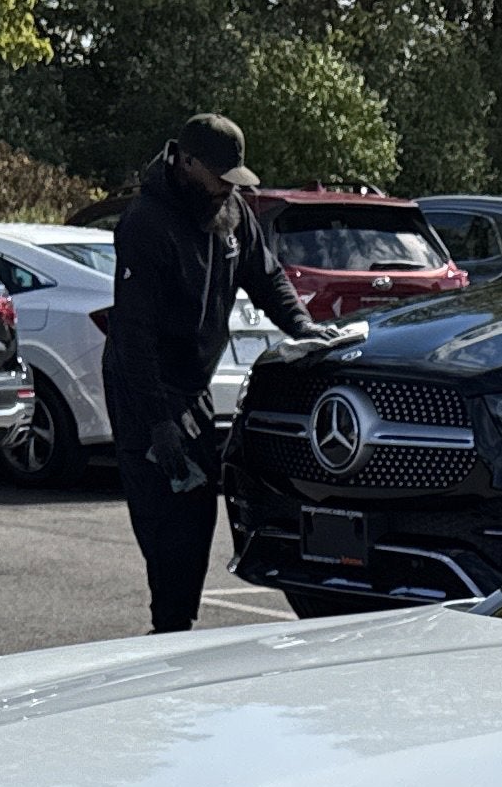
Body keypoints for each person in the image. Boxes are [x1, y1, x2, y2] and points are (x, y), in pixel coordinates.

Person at [104, 113, 339, 632]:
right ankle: (169, 629)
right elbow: (134, 334)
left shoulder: (229, 209)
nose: (227, 189)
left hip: (192, 384)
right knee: (165, 518)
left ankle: (175, 623)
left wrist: (300, 325)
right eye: (219, 177)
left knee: (196, 515)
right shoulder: (147, 222)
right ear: (186, 162)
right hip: (145, 386)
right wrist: (157, 422)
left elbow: (267, 276)